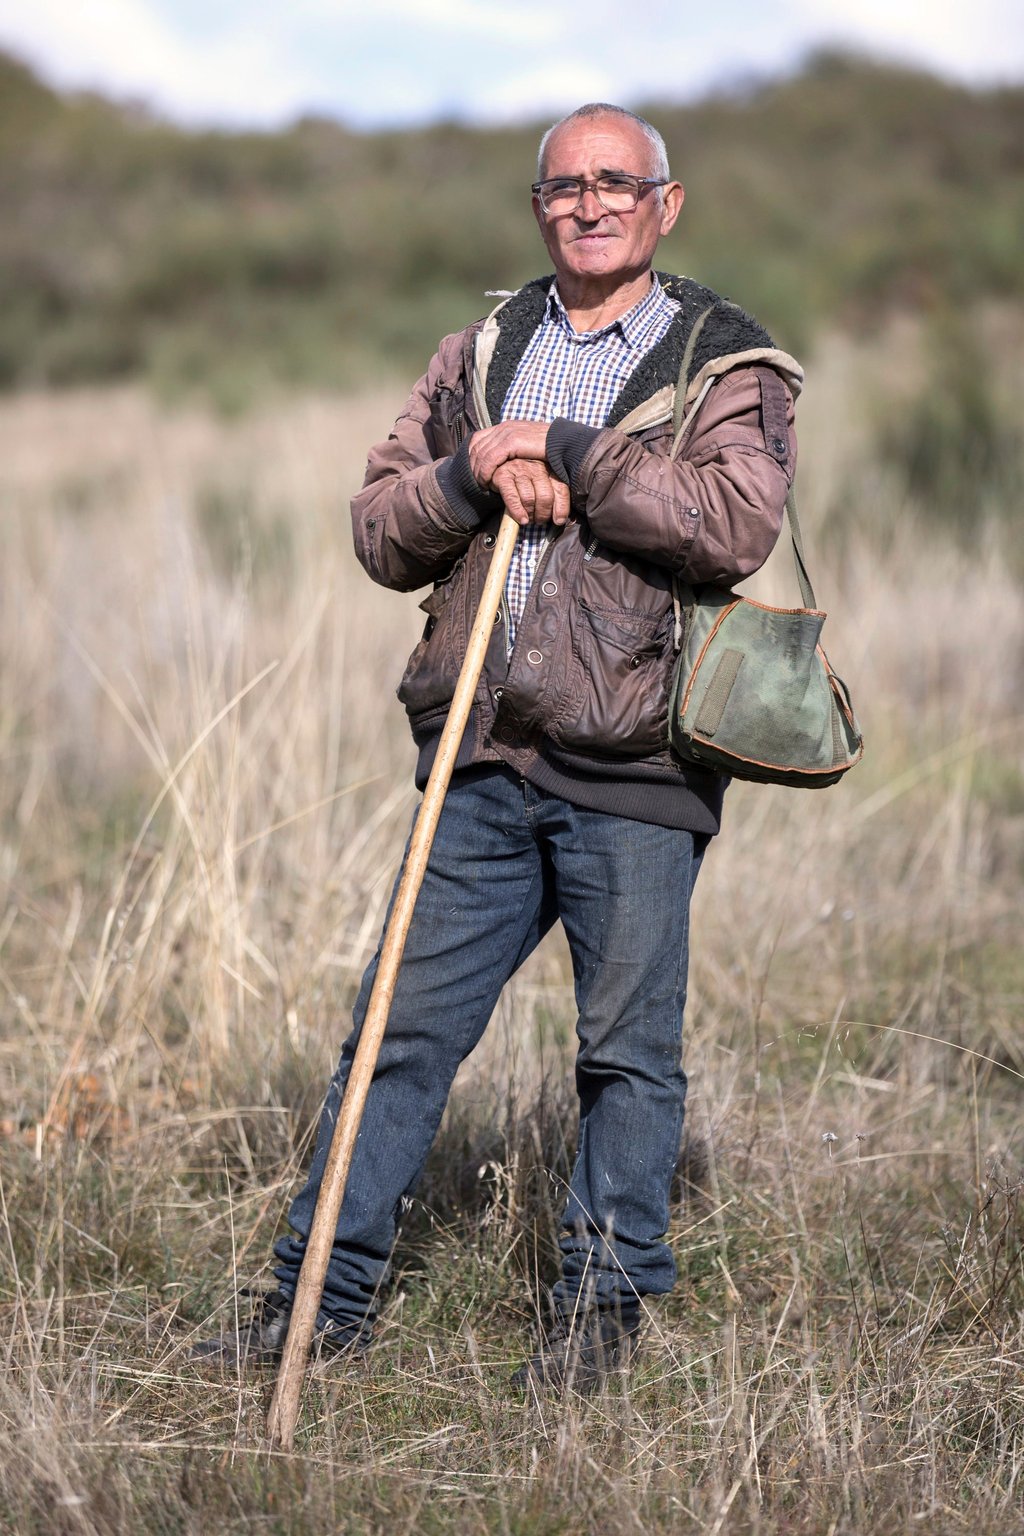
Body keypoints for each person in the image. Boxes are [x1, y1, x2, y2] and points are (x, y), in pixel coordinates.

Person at [194, 102, 801, 1390]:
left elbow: (732, 524)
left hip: (636, 764)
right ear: (538, 206)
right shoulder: (484, 348)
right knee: (393, 1036)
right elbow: (378, 528)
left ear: (666, 204)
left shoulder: (724, 357)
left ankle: (598, 1319)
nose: (590, 203)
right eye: (565, 185)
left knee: (626, 1057)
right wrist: (474, 473)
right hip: (477, 759)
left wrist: (573, 454)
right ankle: (316, 1299)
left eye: (617, 183)